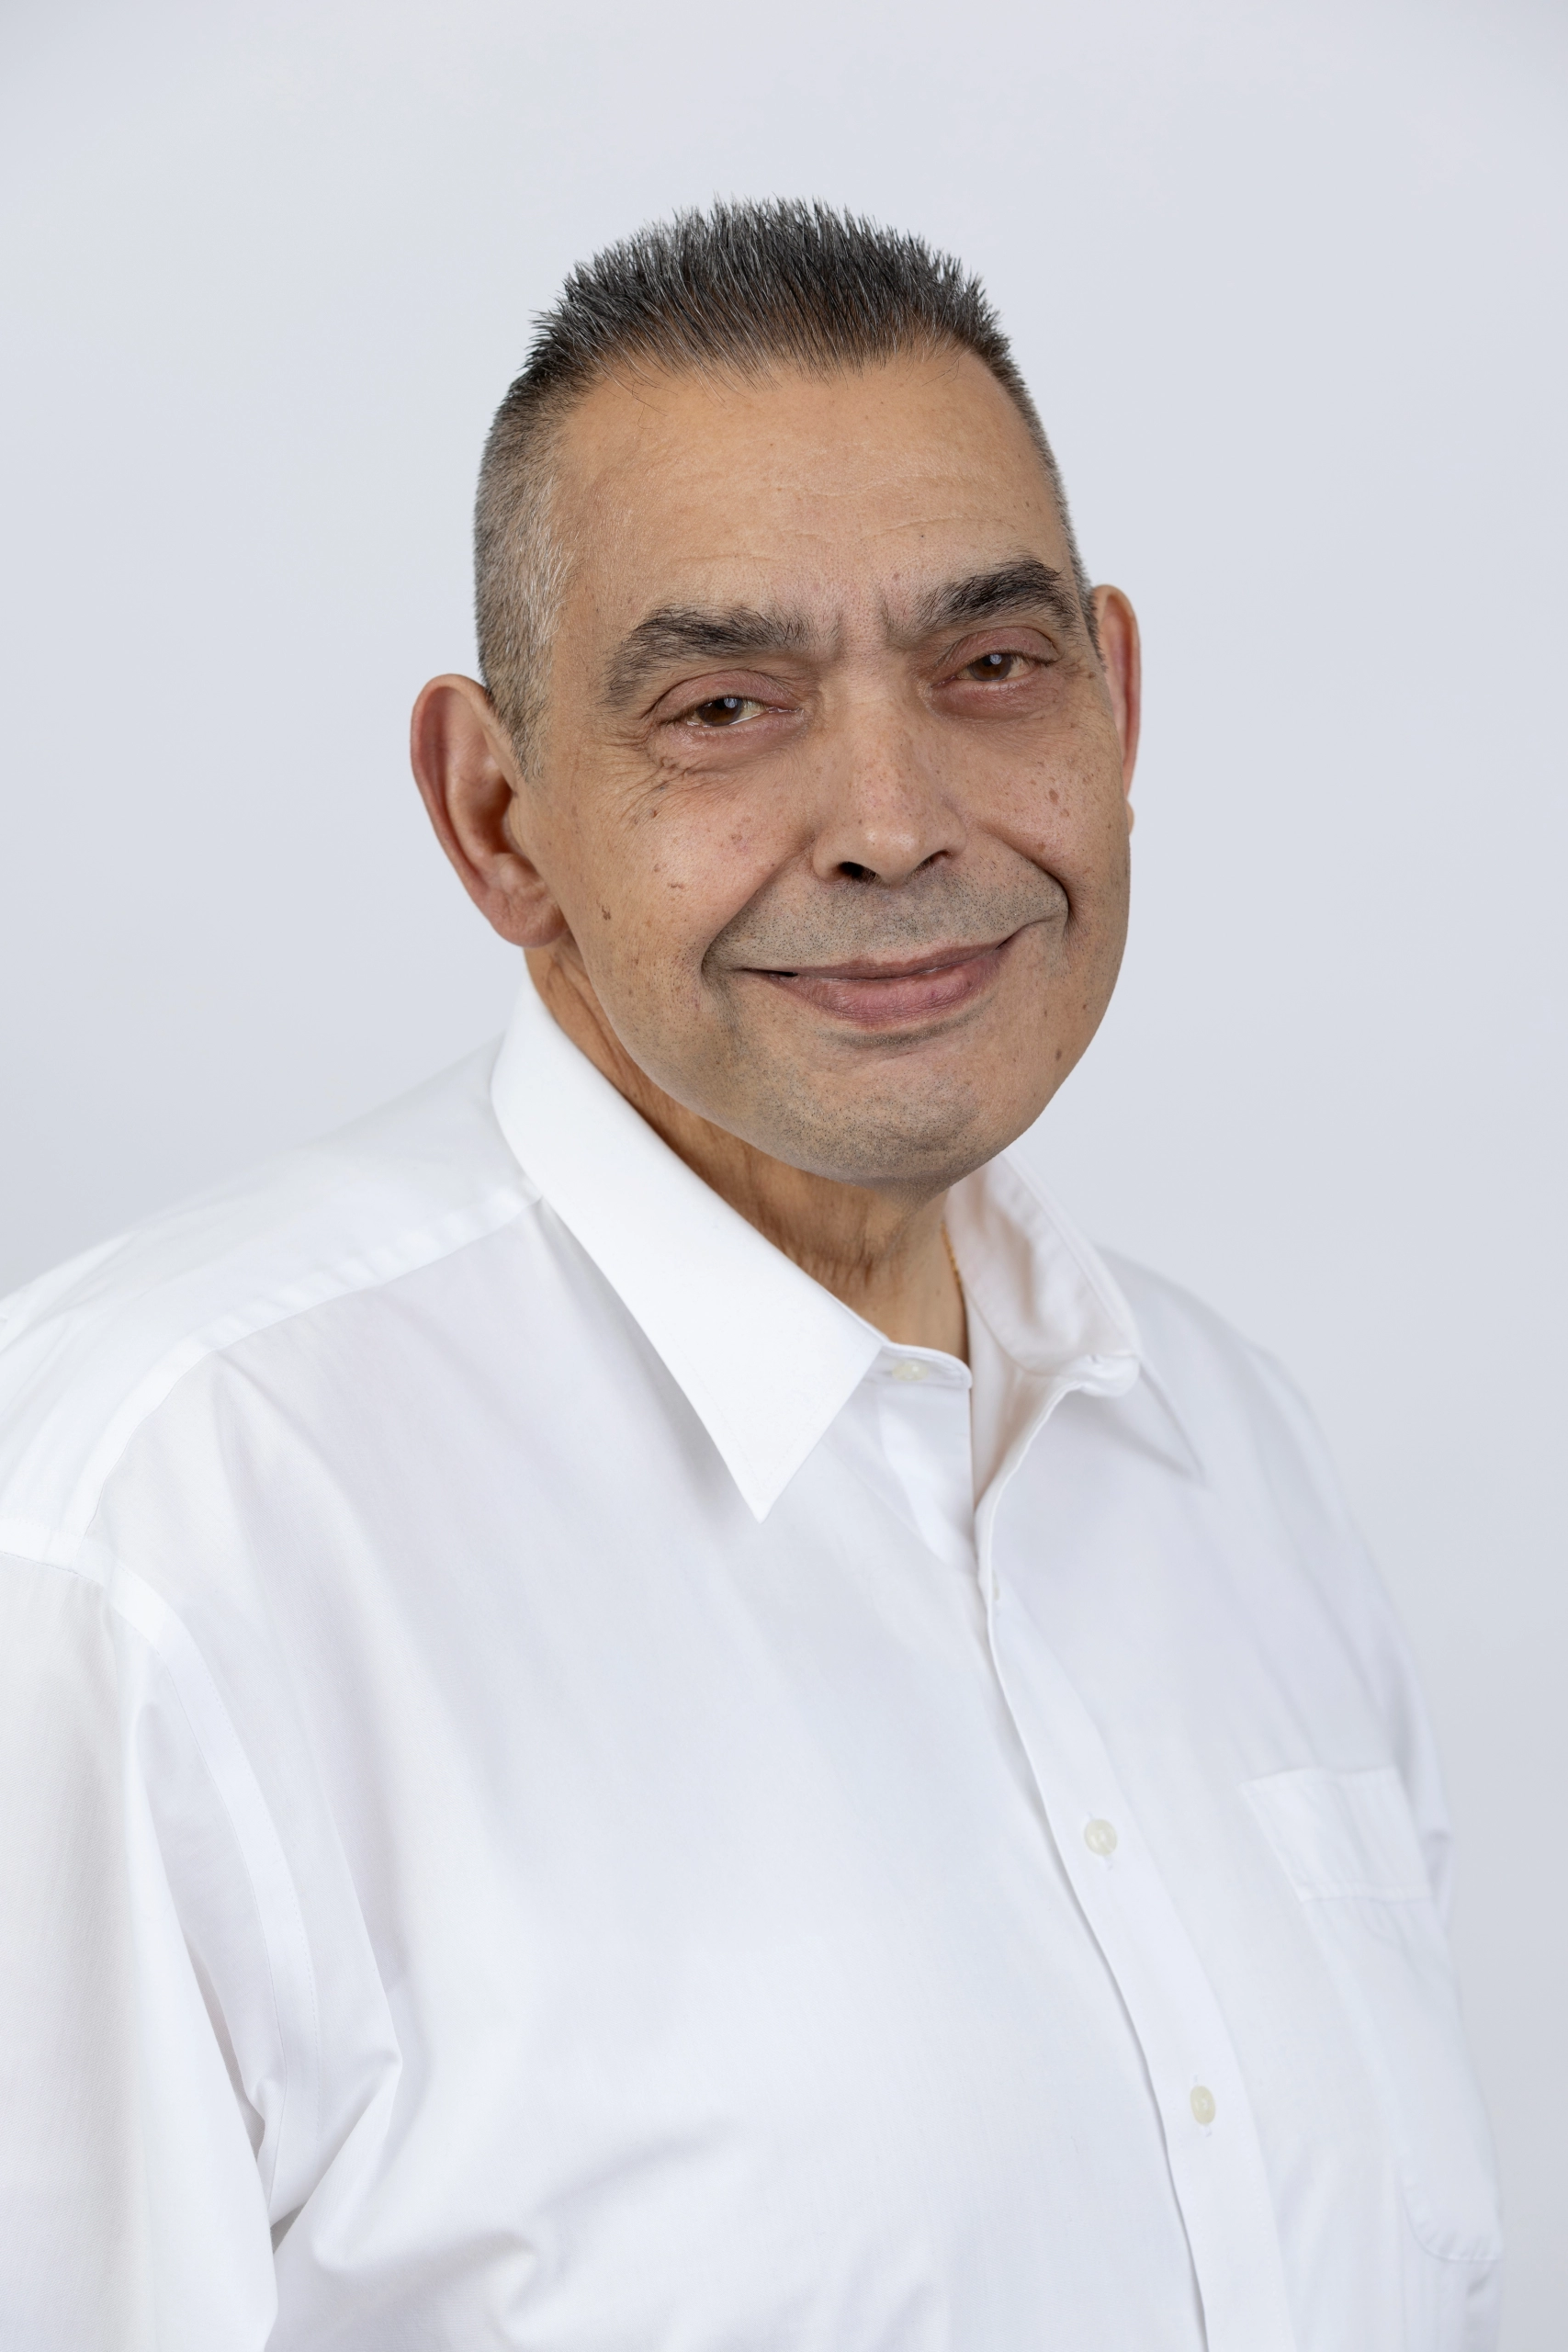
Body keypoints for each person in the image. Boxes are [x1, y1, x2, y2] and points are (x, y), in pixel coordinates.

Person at [0, 200, 1499, 2351]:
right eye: (724, 704)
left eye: (990, 667)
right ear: (498, 814)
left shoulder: (1230, 1453)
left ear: (1117, 700)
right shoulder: (148, 1533)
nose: (893, 817)